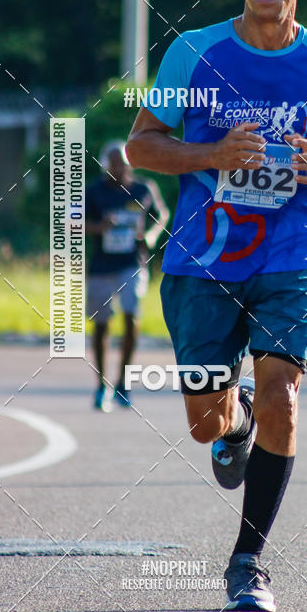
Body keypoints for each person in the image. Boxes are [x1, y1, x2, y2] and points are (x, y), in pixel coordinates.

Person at [126, 0, 307, 612]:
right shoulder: (192, 54)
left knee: (282, 396)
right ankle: (232, 429)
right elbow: (142, 147)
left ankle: (248, 563)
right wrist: (211, 155)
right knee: (207, 419)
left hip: (291, 249)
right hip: (201, 258)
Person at [85, 141, 169, 412]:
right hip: (101, 267)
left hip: (132, 264)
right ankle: (101, 385)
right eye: (113, 164)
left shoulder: (143, 189)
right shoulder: (93, 192)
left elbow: (161, 215)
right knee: (101, 325)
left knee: (132, 316)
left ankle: (124, 384)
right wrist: (99, 226)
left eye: (122, 163)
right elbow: (72, 220)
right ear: (105, 166)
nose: (119, 169)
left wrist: (151, 235)